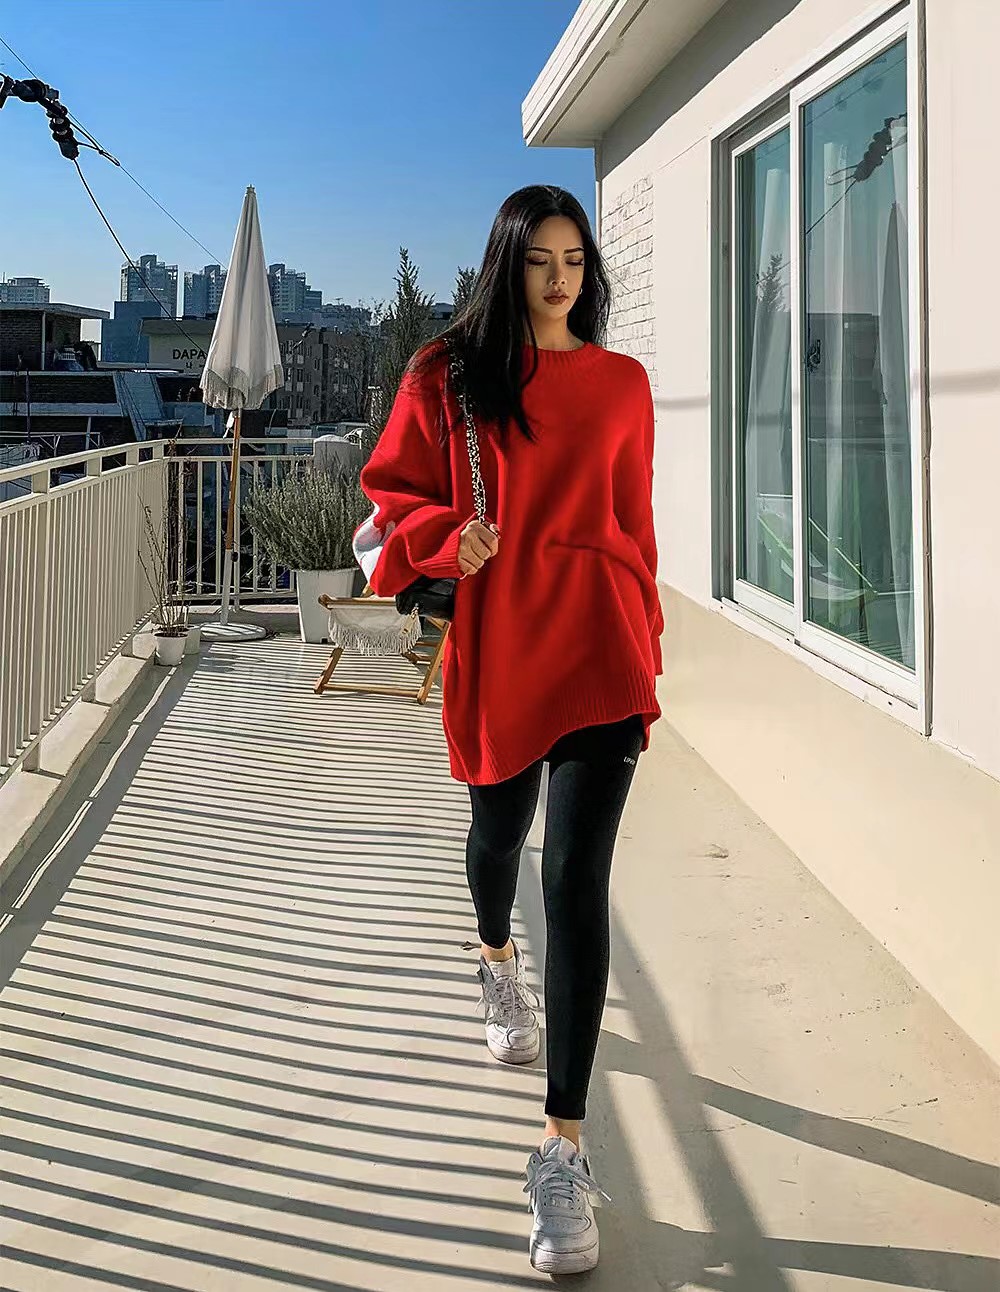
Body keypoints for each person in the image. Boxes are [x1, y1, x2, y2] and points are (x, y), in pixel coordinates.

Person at [355, 184, 663, 1275]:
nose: (559, 279)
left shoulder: (624, 383)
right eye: (539, 261)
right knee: (499, 839)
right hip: (506, 641)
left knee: (576, 879)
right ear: (506, 264)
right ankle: (494, 956)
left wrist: (648, 633)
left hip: (604, 643)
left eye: (574, 260)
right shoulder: (445, 374)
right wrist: (451, 536)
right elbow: (389, 499)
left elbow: (634, 519)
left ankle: (562, 1147)